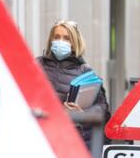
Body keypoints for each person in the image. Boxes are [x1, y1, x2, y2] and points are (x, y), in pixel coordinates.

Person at [37, 20, 110, 150]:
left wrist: (81, 113)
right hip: (41, 137)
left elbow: (102, 109)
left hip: (71, 142)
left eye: (66, 38)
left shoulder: (86, 72)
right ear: (50, 40)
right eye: (57, 37)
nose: (60, 41)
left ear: (74, 43)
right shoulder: (37, 65)